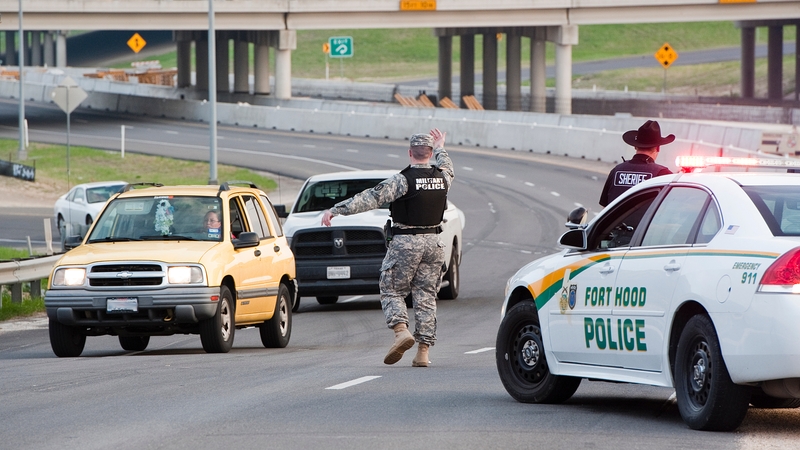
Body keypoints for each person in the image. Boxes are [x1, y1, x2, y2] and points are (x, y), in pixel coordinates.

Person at [321, 128, 454, 367]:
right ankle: (423, 353)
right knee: (426, 297)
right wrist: (441, 146)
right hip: (434, 242)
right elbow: (447, 165)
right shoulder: (443, 177)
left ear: (410, 153)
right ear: (430, 153)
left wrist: (336, 210)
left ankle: (401, 331)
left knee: (391, 288)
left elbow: (370, 198)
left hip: (406, 242)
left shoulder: (402, 180)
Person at [599, 120, 674, 207]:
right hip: (646, 221)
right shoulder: (663, 174)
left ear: (635, 146)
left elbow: (605, 208)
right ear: (658, 148)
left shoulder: (616, 171)